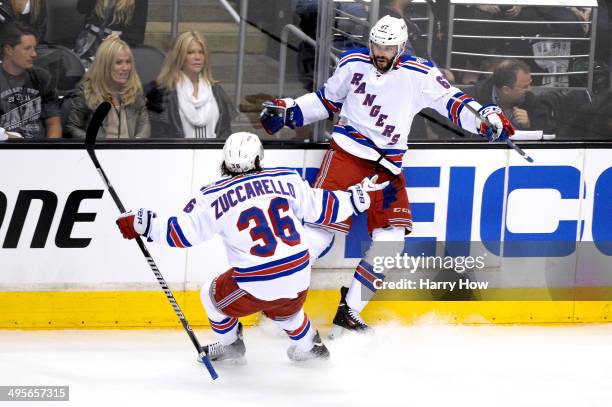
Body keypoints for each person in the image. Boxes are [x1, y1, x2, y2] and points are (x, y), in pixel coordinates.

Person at [259, 15, 514, 337]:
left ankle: (349, 311)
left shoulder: (420, 73)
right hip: (347, 157)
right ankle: (275, 301)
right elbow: (326, 100)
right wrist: (290, 111)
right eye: (377, 44)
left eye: (388, 47)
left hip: (388, 169)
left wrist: (484, 117)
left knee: (391, 242)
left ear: (402, 47)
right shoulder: (352, 63)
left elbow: (453, 102)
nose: (381, 52)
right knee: (317, 234)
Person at [115, 132, 390, 363]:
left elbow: (181, 234)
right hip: (299, 272)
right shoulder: (287, 178)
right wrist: (356, 197)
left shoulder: (212, 196)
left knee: (210, 298)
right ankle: (310, 346)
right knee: (286, 306)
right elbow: (323, 207)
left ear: (225, 160)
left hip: (256, 281)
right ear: (258, 158)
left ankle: (232, 346)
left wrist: (145, 224)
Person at [145, 31, 235, 139]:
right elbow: (158, 136)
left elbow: (225, 132)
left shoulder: (216, 91)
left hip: (213, 154)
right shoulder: (162, 92)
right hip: (176, 154)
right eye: (190, 52)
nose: (197, 57)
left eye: (201, 52)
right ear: (179, 56)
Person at [65, 37, 150, 139]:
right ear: (105, 65)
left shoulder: (134, 90)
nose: (126, 68)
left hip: (130, 151)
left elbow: (144, 123)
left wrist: (138, 143)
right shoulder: (86, 91)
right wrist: (95, 143)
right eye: (119, 62)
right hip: (99, 152)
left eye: (128, 61)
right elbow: (72, 127)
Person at [0, 22, 61, 139]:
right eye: (27, 49)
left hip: (39, 150)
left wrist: (50, 150)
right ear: (9, 50)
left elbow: (53, 123)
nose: (34, 54)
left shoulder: (42, 77)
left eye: (35, 48)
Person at [472, 59, 553, 132]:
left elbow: (548, 131)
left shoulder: (530, 99)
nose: (530, 89)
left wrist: (529, 125)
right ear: (506, 90)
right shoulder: (473, 101)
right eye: (525, 87)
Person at [74, 0, 148, 61]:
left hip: (117, 47)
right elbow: (81, 9)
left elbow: (138, 32)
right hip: (90, 45)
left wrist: (120, 40)